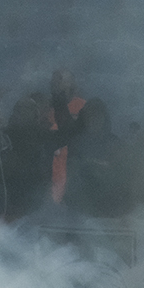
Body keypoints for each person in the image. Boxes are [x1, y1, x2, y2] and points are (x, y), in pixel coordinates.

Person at [46, 69, 85, 203]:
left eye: (60, 79)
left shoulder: (82, 107)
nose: (54, 83)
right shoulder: (44, 107)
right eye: (54, 79)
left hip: (71, 168)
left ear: (71, 83)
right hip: (48, 169)